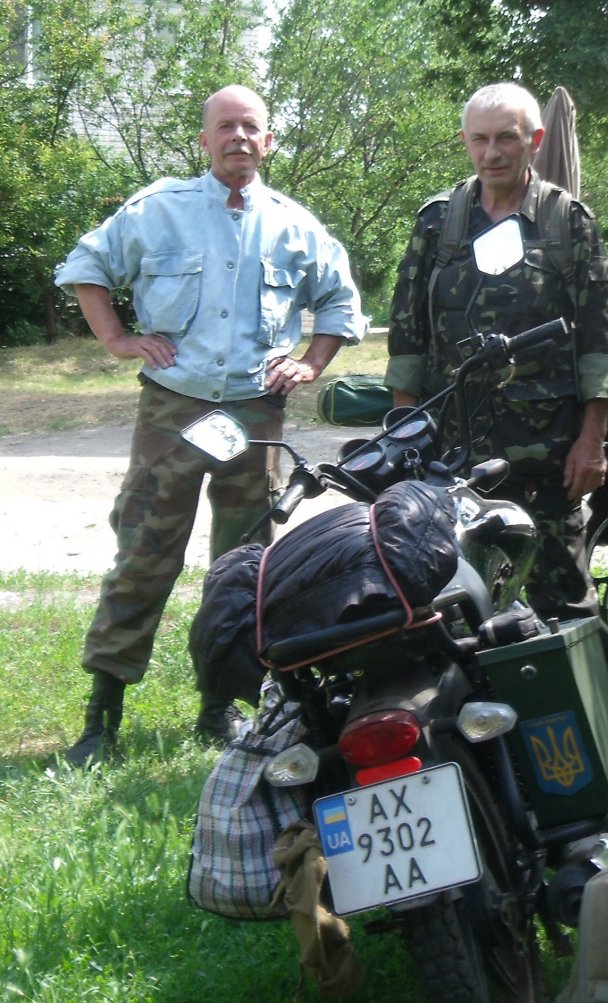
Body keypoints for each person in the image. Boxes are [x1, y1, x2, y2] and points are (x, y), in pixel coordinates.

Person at [54, 84, 365, 766]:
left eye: (251, 127)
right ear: (204, 139)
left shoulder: (295, 226)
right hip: (173, 409)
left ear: (268, 141)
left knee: (245, 564)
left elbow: (341, 303)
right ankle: (103, 713)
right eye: (225, 126)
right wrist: (118, 339)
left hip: (255, 415)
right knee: (144, 552)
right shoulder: (158, 209)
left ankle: (220, 704)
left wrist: (311, 362)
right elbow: (86, 267)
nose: (238, 137)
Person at [385, 82, 608, 623]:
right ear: (466, 142)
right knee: (449, 593)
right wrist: (405, 438)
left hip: (546, 452)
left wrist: (591, 441)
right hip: (452, 449)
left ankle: (570, 675)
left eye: (507, 138)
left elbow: (599, 339)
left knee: (563, 597)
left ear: (535, 140)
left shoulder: (567, 222)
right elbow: (407, 335)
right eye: (480, 139)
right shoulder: (438, 222)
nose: (492, 153)